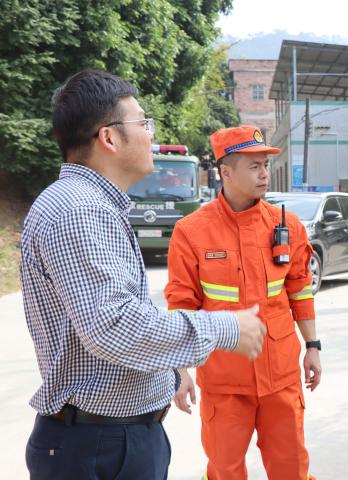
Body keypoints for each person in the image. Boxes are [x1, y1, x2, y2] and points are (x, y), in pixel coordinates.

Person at [20, 69, 266, 480]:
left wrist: (167, 371)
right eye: (143, 122)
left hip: (113, 436)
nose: (151, 134)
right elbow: (113, 327)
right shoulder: (79, 210)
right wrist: (225, 327)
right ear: (109, 138)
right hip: (97, 446)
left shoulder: (93, 204)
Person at [165, 125, 321, 480]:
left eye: (265, 165)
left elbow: (299, 289)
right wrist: (180, 369)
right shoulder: (191, 231)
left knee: (292, 468)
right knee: (225, 470)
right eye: (254, 166)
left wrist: (312, 346)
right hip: (224, 378)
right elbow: (181, 303)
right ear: (226, 172)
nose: (264, 173)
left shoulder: (289, 226)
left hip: (280, 375)